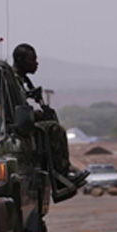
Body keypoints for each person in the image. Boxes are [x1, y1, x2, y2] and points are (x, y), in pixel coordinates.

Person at [12, 43, 87, 194]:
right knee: (55, 129)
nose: (36, 63)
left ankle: (62, 170)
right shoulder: (13, 80)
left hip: (22, 121)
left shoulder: (21, 79)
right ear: (20, 60)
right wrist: (36, 115)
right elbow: (14, 108)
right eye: (32, 59)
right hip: (17, 123)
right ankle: (61, 174)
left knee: (51, 119)